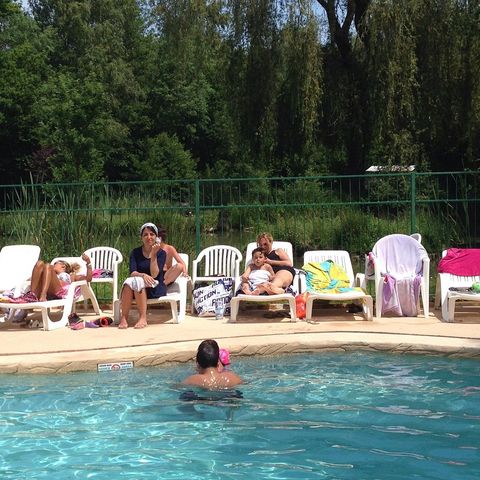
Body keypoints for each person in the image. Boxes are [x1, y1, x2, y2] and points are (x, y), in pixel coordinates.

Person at [118, 222, 167, 329]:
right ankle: (124, 317)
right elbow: (132, 272)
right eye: (145, 235)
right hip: (138, 286)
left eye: (151, 234)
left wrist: (153, 255)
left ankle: (143, 317)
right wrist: (143, 275)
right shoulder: (135, 252)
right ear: (141, 237)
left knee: (137, 282)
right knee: (128, 283)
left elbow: (154, 274)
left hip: (154, 287)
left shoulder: (161, 253)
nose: (149, 237)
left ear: (156, 237)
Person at [28, 253, 93, 302]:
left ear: (63, 266)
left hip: (59, 292)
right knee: (39, 263)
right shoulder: (47, 274)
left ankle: (43, 294)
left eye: (55, 263)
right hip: (47, 291)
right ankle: (32, 296)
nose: (53, 265)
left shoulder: (71, 276)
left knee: (48, 266)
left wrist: (88, 263)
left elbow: (88, 279)